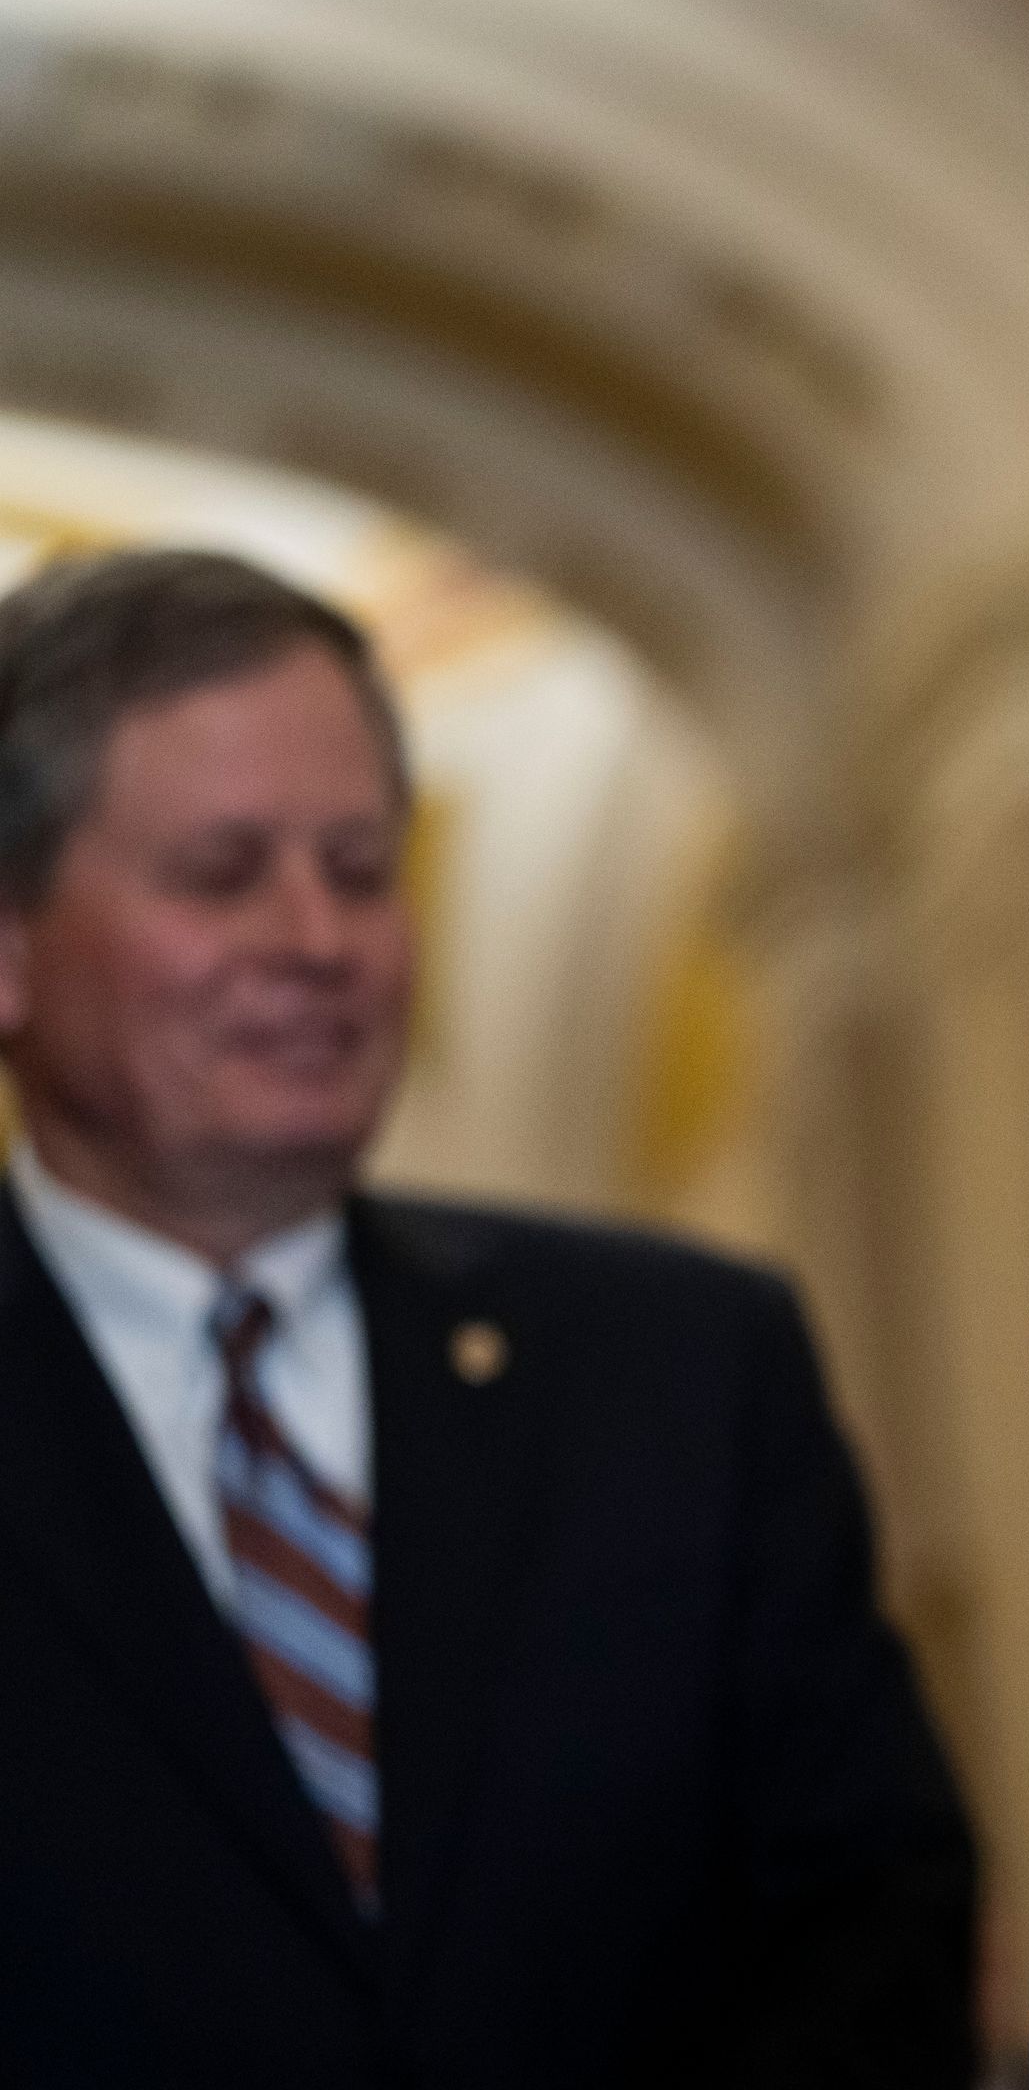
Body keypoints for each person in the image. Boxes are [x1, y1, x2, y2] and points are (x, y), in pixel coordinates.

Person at [0, 548, 979, 2088]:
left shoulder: (687, 1374)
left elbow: (876, 1939)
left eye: (361, 865)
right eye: (221, 870)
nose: (319, 940)